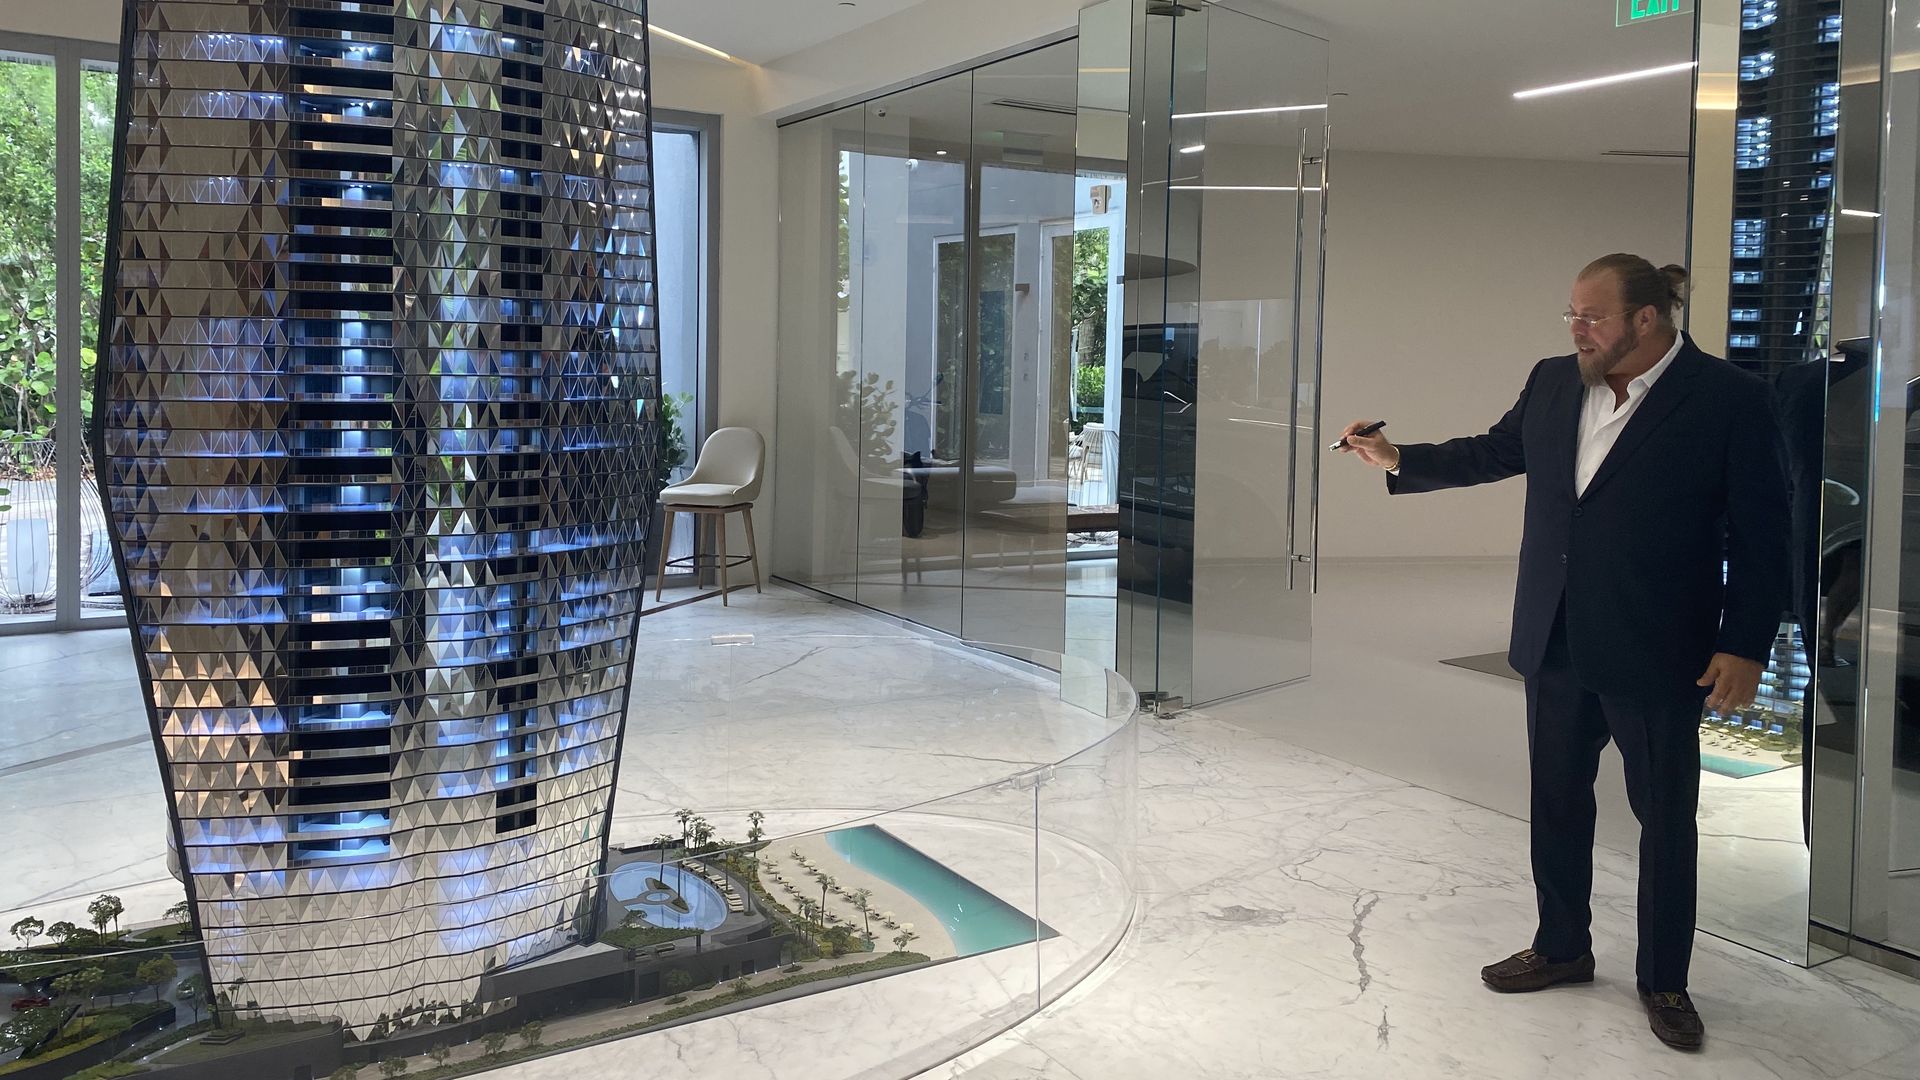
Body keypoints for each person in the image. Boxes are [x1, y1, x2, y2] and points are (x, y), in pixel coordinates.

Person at [1336, 254, 1790, 1052]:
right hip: (1554, 637)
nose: (1577, 329)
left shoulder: (1729, 399)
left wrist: (1745, 643)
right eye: (1572, 315)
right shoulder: (1554, 380)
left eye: (1593, 316)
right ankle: (1561, 946)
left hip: (1661, 647)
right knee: (1556, 801)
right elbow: (1492, 451)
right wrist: (1399, 456)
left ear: (1646, 319)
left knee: (1664, 820)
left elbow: (1764, 533)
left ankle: (1664, 978)